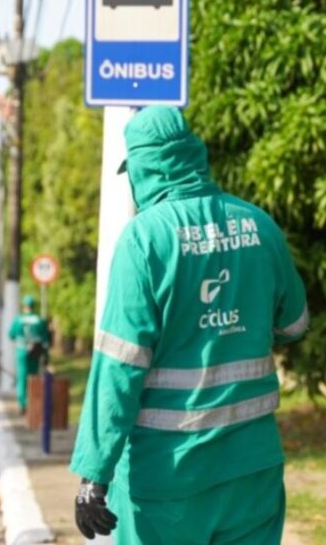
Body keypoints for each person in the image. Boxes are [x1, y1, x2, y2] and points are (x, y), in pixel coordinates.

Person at [71, 106, 309, 544]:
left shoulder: (143, 240)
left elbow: (119, 368)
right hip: (251, 468)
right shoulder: (260, 225)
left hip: (168, 475)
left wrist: (94, 473)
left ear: (144, 168)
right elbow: (294, 324)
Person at [8, 294, 51, 412]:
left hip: (22, 351)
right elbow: (45, 340)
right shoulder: (39, 320)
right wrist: (46, 356)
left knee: (22, 377)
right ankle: (32, 403)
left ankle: (22, 404)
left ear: (24, 306)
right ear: (33, 306)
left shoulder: (18, 319)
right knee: (33, 377)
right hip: (35, 353)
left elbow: (11, 335)